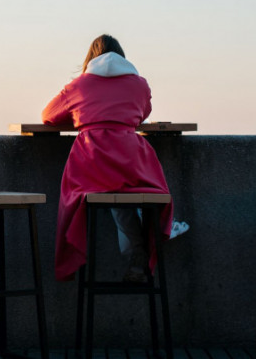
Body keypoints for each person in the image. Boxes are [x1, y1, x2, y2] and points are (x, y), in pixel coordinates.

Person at [42, 34, 185, 283]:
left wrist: (84, 116)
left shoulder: (78, 86)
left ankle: (138, 250)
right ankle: (146, 246)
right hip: (131, 162)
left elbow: (48, 115)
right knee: (131, 192)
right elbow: (143, 112)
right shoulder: (139, 84)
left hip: (91, 164)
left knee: (112, 190)